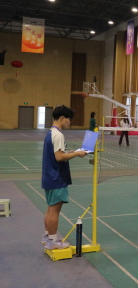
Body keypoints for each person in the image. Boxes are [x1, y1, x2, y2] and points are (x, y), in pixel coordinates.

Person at [41, 105, 87, 250]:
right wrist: (77, 154)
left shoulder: (51, 133)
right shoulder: (58, 135)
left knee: (50, 209)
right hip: (57, 177)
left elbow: (59, 154)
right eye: (68, 119)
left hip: (49, 176)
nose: (69, 122)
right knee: (54, 210)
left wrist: (70, 153)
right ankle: (53, 242)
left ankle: (47, 237)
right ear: (62, 118)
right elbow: (59, 157)